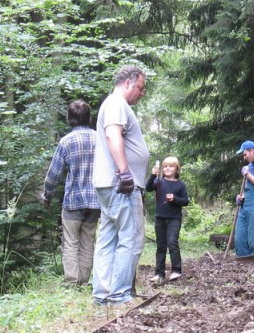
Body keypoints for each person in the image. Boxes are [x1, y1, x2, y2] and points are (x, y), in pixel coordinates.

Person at [91, 64, 150, 305]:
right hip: (122, 184)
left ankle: (102, 293)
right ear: (128, 83)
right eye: (140, 87)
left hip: (107, 184)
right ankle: (119, 294)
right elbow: (112, 135)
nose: (142, 93)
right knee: (130, 238)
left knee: (108, 238)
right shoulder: (116, 103)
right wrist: (125, 173)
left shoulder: (112, 103)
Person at [39, 100, 100, 287]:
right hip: (96, 200)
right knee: (88, 240)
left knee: (71, 242)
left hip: (73, 201)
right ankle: (83, 281)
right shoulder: (100, 138)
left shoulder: (66, 141)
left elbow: (54, 174)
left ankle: (72, 282)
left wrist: (47, 196)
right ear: (89, 118)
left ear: (69, 118)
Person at [149, 156, 190, 283]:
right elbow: (148, 188)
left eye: (171, 166)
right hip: (160, 217)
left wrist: (175, 199)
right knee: (161, 246)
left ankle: (176, 270)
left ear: (177, 169)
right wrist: (152, 175)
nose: (167, 168)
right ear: (162, 169)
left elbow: (185, 201)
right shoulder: (158, 181)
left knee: (172, 242)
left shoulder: (180, 185)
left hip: (174, 218)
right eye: (165, 166)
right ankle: (159, 273)